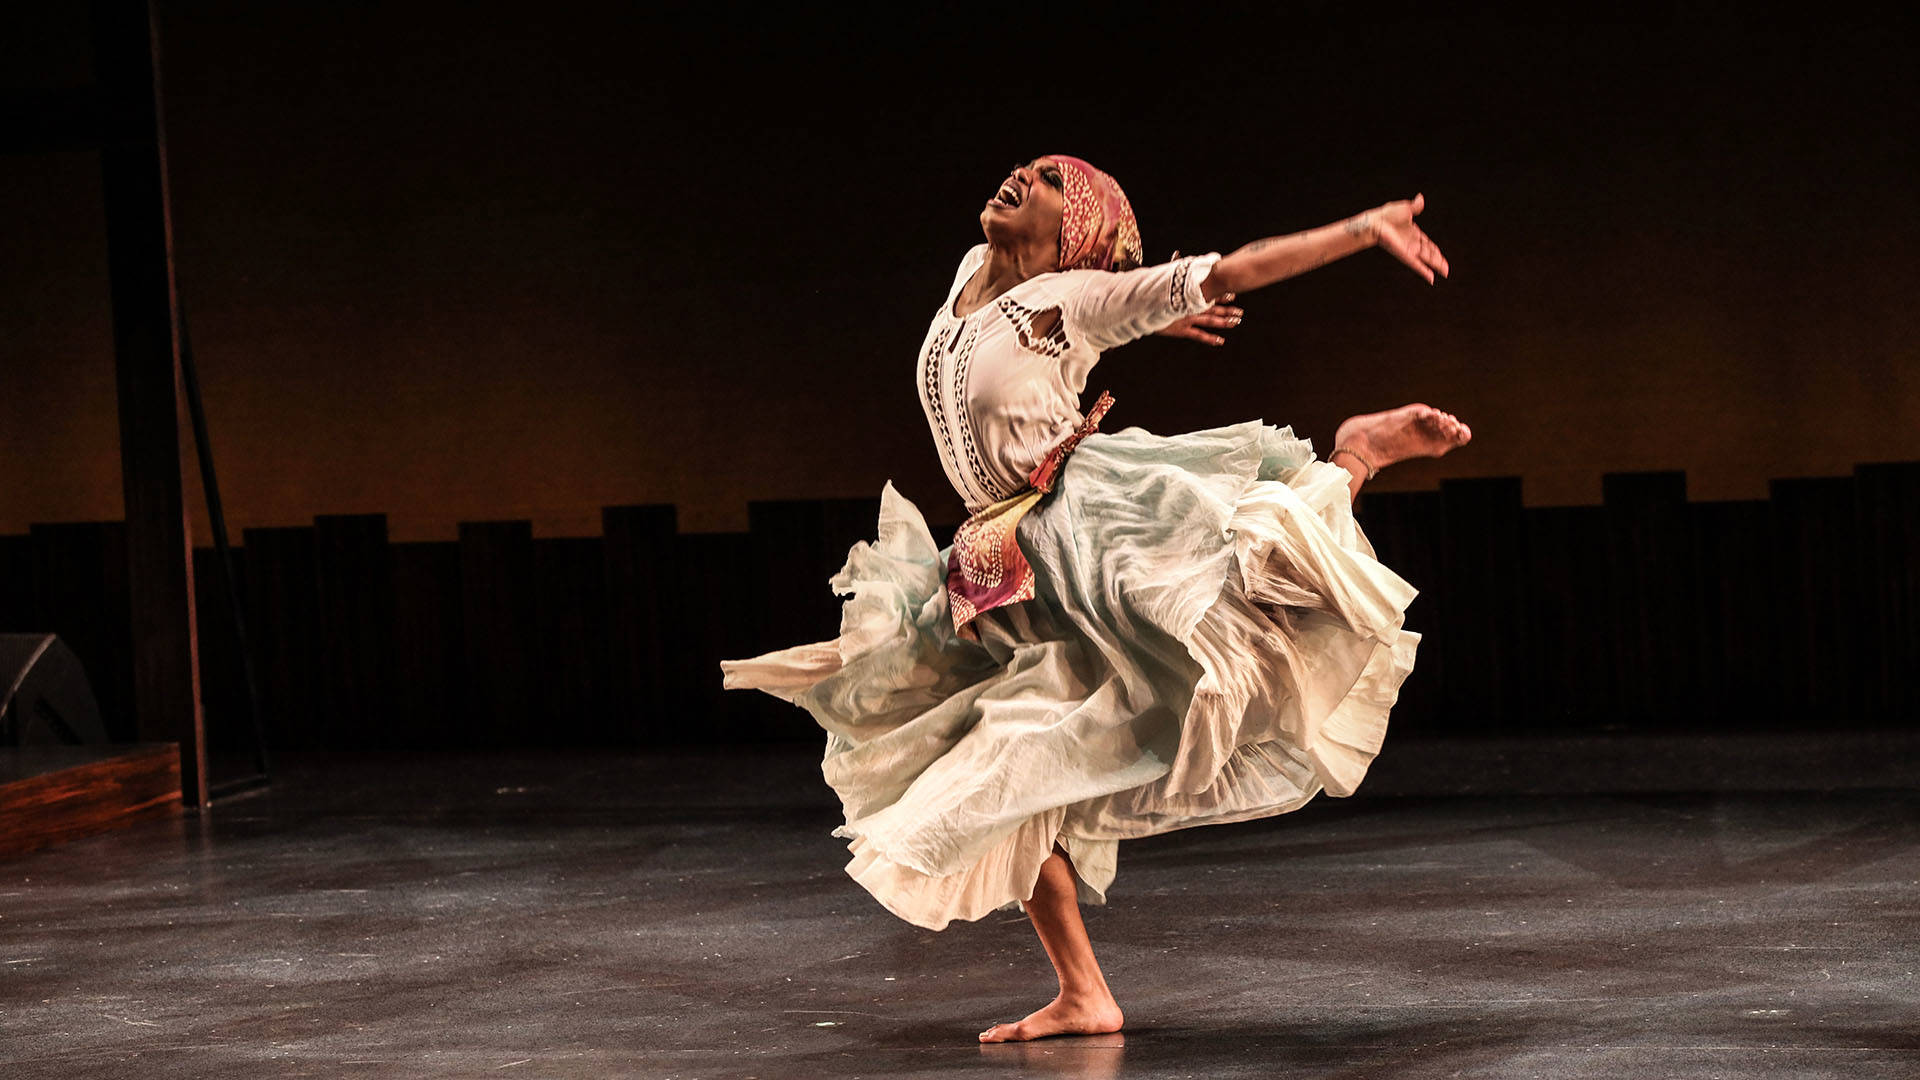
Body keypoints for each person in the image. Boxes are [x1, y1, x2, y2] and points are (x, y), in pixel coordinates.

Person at [723, 154, 1470, 1043]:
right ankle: (1086, 994)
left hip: (1089, 522)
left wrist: (1360, 228)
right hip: (1000, 552)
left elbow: (1228, 271)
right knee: (1008, 756)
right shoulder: (974, 270)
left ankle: (1356, 456)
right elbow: (1071, 320)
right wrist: (1146, 314)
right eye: (1026, 165)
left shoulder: (1070, 300)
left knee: (1248, 603)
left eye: (1046, 178)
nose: (1019, 176)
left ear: (1072, 232)